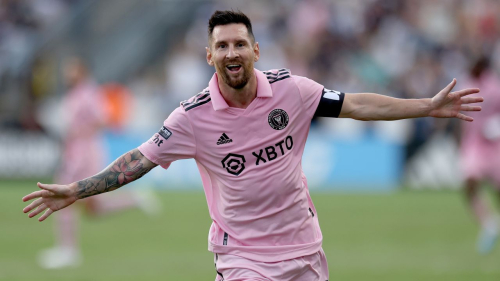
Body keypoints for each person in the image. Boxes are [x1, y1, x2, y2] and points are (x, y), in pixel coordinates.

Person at [23, 10, 482, 280]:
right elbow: (139, 160)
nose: (231, 53)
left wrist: (426, 105)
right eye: (221, 46)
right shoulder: (192, 116)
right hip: (242, 256)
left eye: (239, 43)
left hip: (305, 248)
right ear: (209, 56)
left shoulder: (293, 91)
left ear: (256, 50)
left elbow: (358, 104)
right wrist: (76, 189)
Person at [37, 57, 159, 269]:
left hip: (85, 153)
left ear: (81, 71)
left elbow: (102, 119)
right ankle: (134, 200)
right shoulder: (75, 93)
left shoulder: (89, 93)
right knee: (94, 209)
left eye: (71, 69)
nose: (67, 74)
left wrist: (78, 132)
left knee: (62, 191)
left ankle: (68, 250)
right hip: (76, 151)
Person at [460, 56, 500, 254]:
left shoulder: (494, 86)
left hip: (494, 144)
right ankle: (489, 223)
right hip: (474, 143)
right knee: (469, 183)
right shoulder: (467, 84)